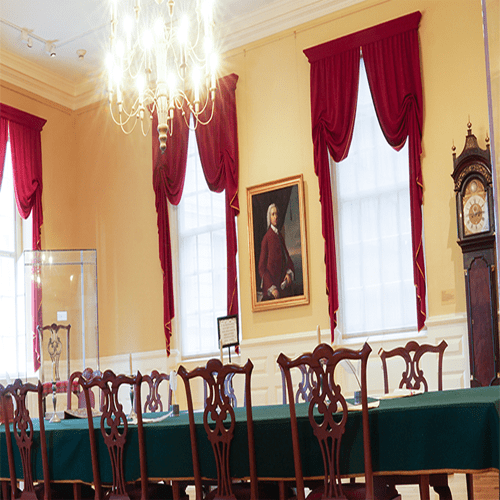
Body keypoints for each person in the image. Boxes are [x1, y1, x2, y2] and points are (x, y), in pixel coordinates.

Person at [258, 203, 295, 300]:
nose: (276, 217)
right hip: (272, 291)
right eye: (273, 214)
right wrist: (272, 287)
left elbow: (286, 258)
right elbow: (261, 267)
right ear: (269, 217)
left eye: (277, 214)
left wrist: (288, 273)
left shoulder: (279, 236)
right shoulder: (266, 238)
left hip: (281, 286)